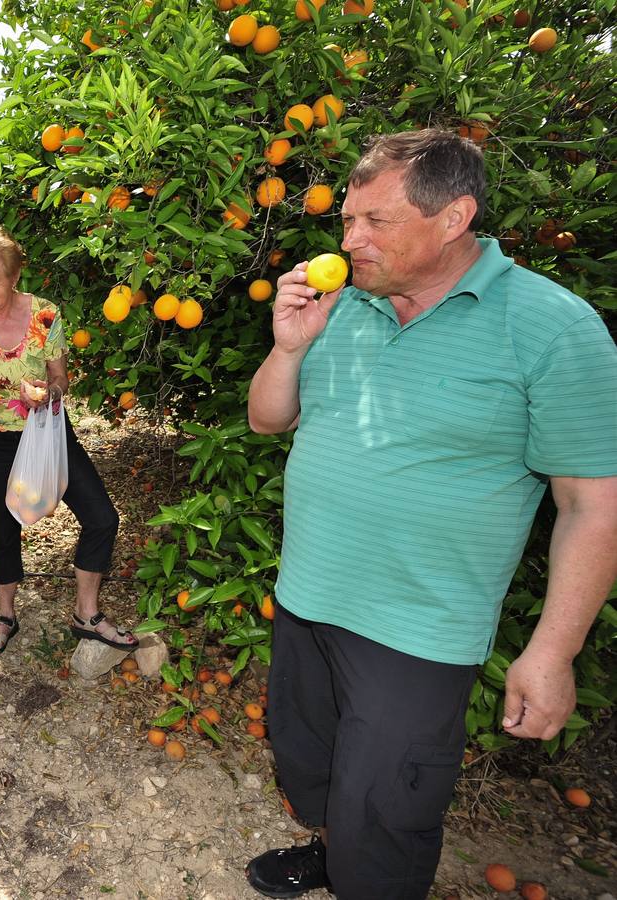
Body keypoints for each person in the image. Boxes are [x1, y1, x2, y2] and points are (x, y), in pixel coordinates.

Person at [245, 129, 617, 899]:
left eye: (373, 223)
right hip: (307, 594)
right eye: (347, 221)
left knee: (386, 805)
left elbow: (591, 503)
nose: (349, 241)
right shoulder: (343, 305)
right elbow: (265, 422)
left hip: (416, 627)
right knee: (308, 761)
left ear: (453, 218)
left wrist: (551, 653)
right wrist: (286, 349)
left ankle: (365, 874)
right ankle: (329, 851)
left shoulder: (553, 328)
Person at [0, 224, 135, 656]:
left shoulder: (44, 313)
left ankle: (86, 613)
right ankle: (6, 614)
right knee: (4, 528)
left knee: (102, 517)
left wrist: (50, 393)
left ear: (13, 278)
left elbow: (60, 377)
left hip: (47, 433)